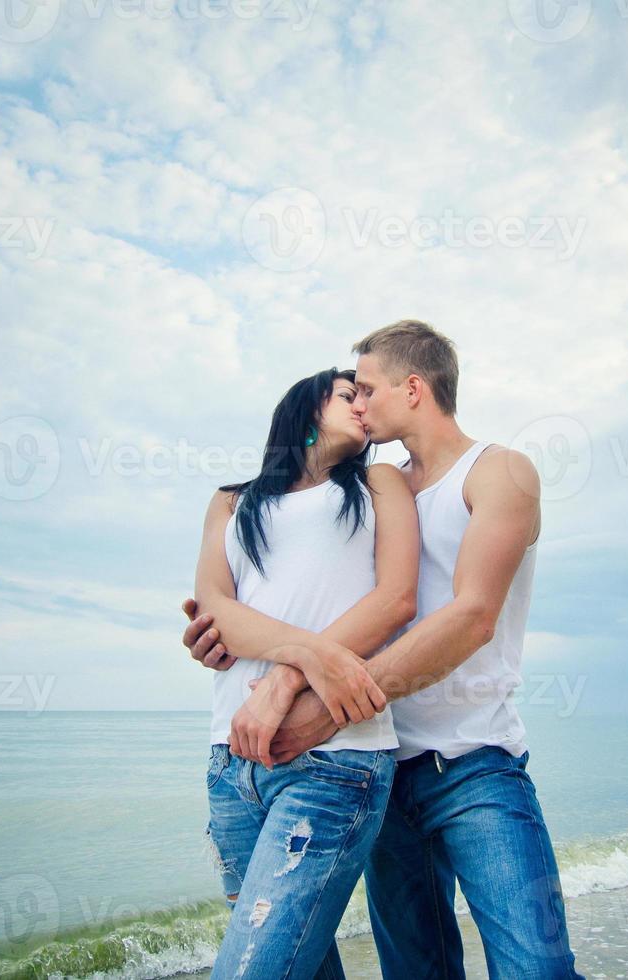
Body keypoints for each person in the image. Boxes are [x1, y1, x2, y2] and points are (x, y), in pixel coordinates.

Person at [184, 321, 583, 979]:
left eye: (366, 388)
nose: (360, 403)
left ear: (414, 387)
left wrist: (315, 701)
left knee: (535, 968)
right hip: (386, 766)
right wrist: (226, 637)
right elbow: (295, 590)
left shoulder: (498, 471)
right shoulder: (372, 486)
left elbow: (472, 617)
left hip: (472, 760)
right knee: (416, 971)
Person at [191, 367, 420, 979]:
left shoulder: (379, 483)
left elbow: (397, 600)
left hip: (337, 757)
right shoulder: (231, 501)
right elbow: (216, 610)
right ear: (305, 406)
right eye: (350, 395)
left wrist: (286, 677)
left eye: (369, 397)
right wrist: (313, 655)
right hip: (231, 761)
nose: (364, 407)